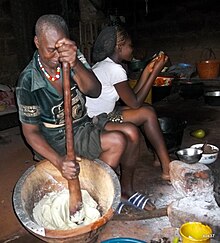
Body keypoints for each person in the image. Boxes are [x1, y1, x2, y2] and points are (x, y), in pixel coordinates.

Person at [16, 14, 155, 214]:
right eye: (50, 50)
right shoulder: (28, 81)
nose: (57, 56)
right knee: (117, 141)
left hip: (84, 124)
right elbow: (31, 132)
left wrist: (75, 64)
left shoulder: (73, 56)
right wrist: (59, 161)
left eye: (61, 48)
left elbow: (94, 90)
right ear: (37, 42)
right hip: (54, 139)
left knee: (132, 133)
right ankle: (94, 195)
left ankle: (125, 192)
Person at [86, 25, 171, 181]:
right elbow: (135, 103)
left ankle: (161, 160)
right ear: (119, 47)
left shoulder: (104, 65)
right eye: (130, 46)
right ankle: (166, 166)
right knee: (147, 112)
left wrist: (146, 71)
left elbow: (131, 97)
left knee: (147, 109)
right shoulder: (114, 69)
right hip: (96, 120)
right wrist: (155, 73)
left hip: (102, 114)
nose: (132, 50)